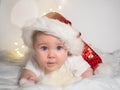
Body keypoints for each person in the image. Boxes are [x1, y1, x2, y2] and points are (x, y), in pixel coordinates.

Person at [19, 12, 101, 86]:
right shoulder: (35, 59)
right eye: (44, 48)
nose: (51, 55)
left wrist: (84, 83)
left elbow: (87, 71)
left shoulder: (72, 58)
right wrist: (28, 79)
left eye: (58, 48)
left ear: (67, 48)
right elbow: (28, 72)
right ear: (34, 47)